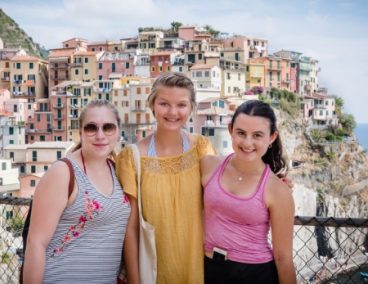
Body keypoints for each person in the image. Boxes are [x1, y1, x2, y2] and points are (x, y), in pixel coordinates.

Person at [116, 73, 215, 284]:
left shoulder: (201, 148)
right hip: (152, 272)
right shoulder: (132, 158)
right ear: (152, 104)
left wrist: (270, 182)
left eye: (181, 104)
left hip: (198, 269)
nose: (172, 112)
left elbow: (225, 186)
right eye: (164, 104)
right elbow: (130, 229)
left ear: (191, 108)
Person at [23, 100, 131, 283]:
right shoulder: (63, 172)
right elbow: (36, 244)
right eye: (91, 128)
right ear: (80, 132)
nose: (100, 135)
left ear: (118, 131)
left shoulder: (119, 171)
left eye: (108, 127)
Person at [201, 100, 296, 284]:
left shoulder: (277, 190)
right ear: (230, 130)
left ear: (271, 137)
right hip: (208, 270)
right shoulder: (208, 165)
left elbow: (283, 258)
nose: (247, 142)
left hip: (255, 274)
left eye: (257, 135)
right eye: (241, 133)